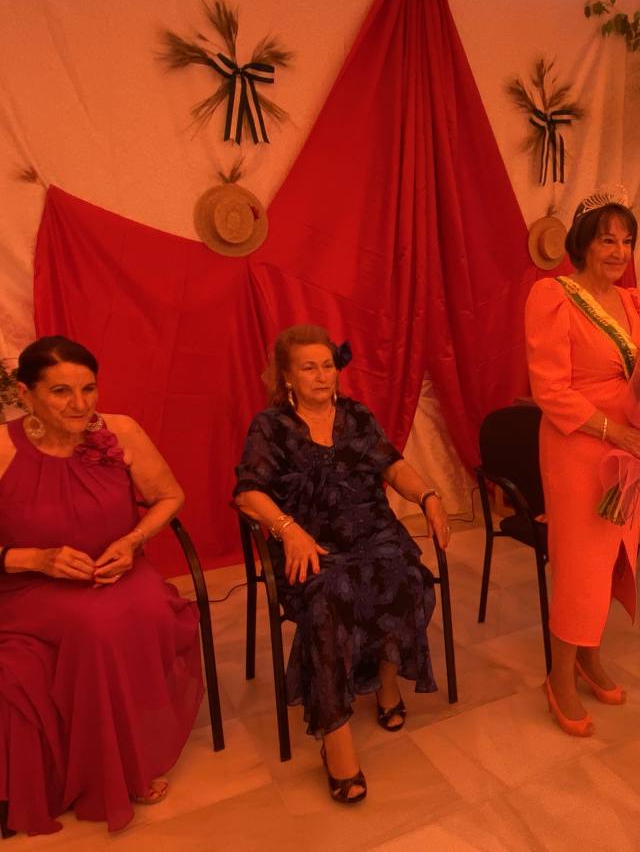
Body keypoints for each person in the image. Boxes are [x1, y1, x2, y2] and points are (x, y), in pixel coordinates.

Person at [233, 325, 447, 802]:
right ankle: (336, 736)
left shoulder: (356, 416)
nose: (321, 375)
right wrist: (290, 531)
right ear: (287, 376)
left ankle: (386, 682)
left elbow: (393, 465)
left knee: (406, 578)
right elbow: (248, 493)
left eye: (327, 365)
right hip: (309, 541)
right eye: (308, 367)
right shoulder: (271, 426)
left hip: (371, 531)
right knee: (330, 599)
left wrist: (428, 495)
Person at [0, 336, 202, 836]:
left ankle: (129, 760)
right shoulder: (2, 447)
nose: (80, 404)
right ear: (26, 394)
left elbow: (170, 496)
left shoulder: (121, 431)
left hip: (119, 571)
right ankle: (110, 772)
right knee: (96, 629)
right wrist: (35, 559)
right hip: (30, 587)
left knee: (140, 614)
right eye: (61, 391)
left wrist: (133, 541)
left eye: (88, 388)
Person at [524, 189, 640, 737]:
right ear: (583, 242)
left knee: (612, 557)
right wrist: (615, 431)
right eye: (607, 239)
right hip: (579, 447)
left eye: (626, 241)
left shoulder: (629, 301)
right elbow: (550, 390)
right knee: (580, 565)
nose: (619, 251)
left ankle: (589, 656)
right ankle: (558, 676)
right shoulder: (552, 295)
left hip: (629, 449)